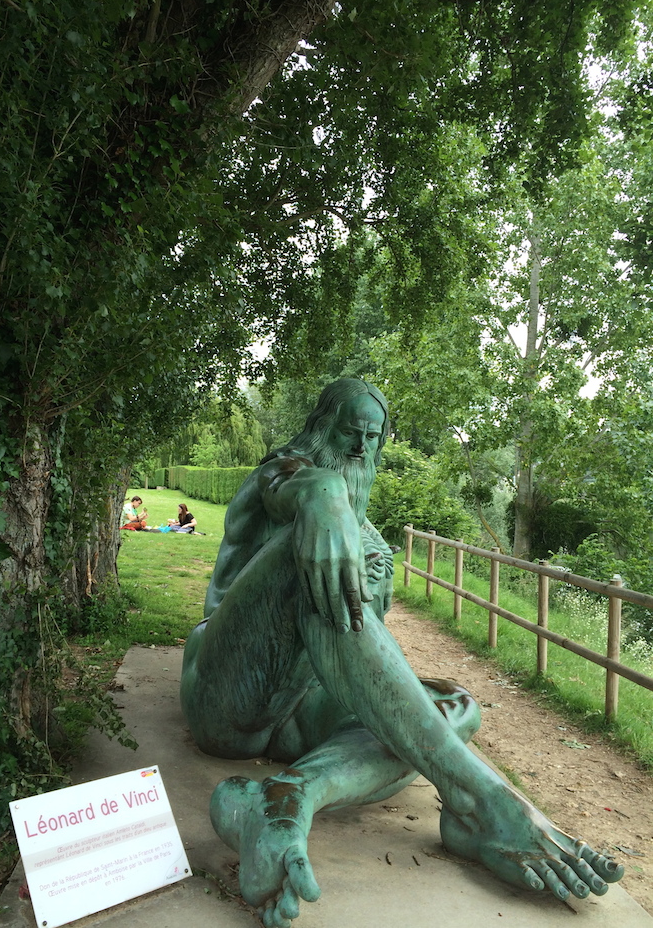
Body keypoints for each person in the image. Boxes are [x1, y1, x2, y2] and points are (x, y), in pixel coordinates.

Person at [180, 379, 623, 928]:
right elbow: (294, 488)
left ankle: (289, 794)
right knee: (316, 564)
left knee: (453, 707)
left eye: (373, 438)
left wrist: (374, 564)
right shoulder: (286, 474)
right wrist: (322, 496)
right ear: (322, 428)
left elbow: (354, 648)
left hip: (303, 706)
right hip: (228, 696)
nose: (362, 449)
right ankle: (481, 798)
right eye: (350, 433)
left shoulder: (355, 517)